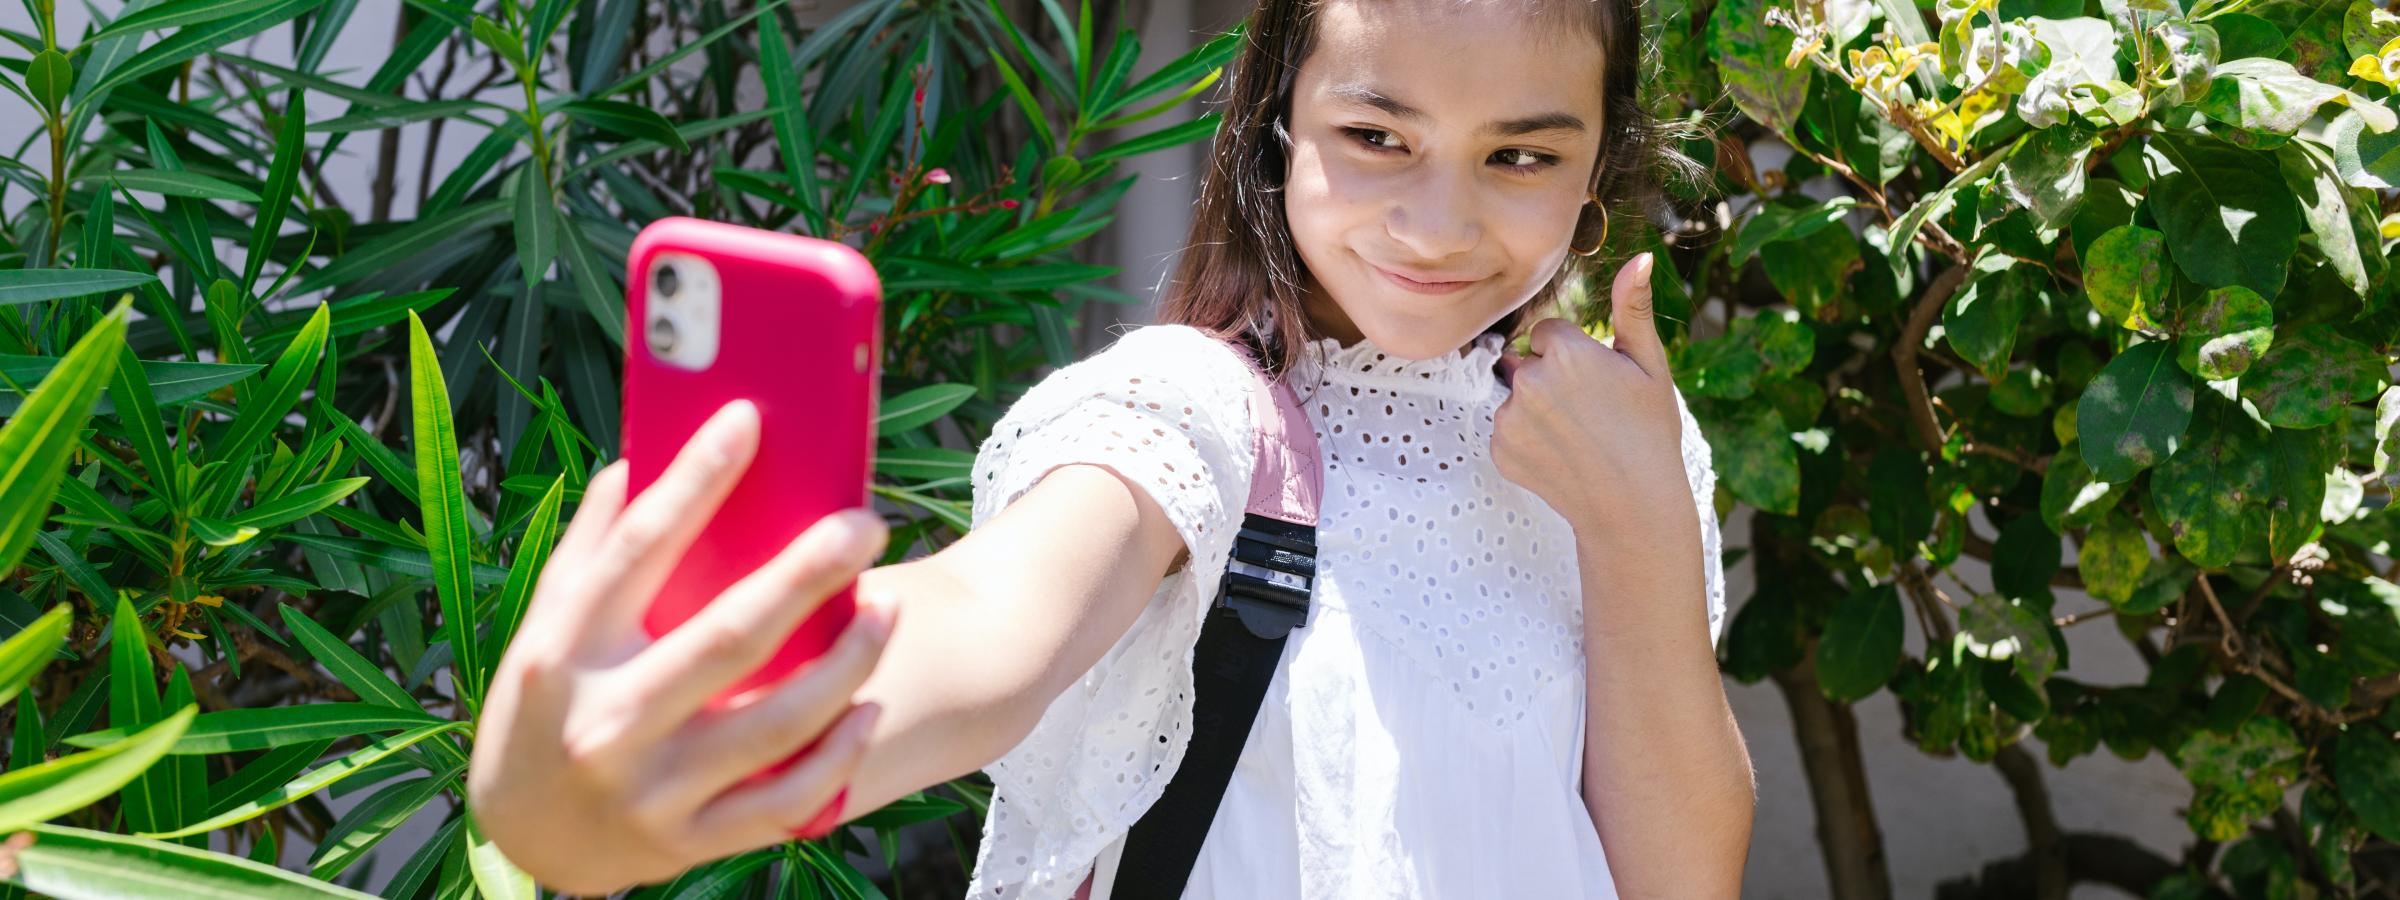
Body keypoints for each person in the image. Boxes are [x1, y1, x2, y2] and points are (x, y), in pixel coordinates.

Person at [467, 0, 1757, 896]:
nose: (1439, 221)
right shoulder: (1197, 405)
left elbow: (1682, 879)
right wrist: (662, 755)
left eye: (1520, 154)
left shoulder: (1622, 442)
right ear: (1279, 127)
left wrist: (1637, 519)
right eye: (1378, 138)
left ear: (1597, 175)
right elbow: (991, 622)